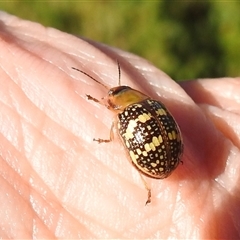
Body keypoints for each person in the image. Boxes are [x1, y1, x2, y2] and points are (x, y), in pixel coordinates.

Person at [0, 11, 239, 239]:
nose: (107, 100)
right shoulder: (152, 103)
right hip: (173, 154)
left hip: (158, 160)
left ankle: (147, 186)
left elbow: (118, 125)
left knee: (122, 142)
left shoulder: (125, 115)